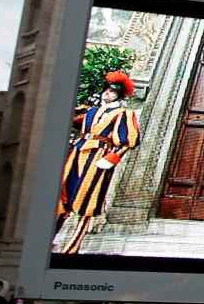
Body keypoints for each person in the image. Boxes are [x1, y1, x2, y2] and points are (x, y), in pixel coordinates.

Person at [55, 71, 141, 254]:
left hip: (98, 156)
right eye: (107, 90)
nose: (107, 93)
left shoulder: (123, 113)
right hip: (77, 153)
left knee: (87, 200)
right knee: (64, 195)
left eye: (112, 91)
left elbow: (129, 140)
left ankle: (72, 248)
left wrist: (111, 159)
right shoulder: (91, 111)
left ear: (119, 94)